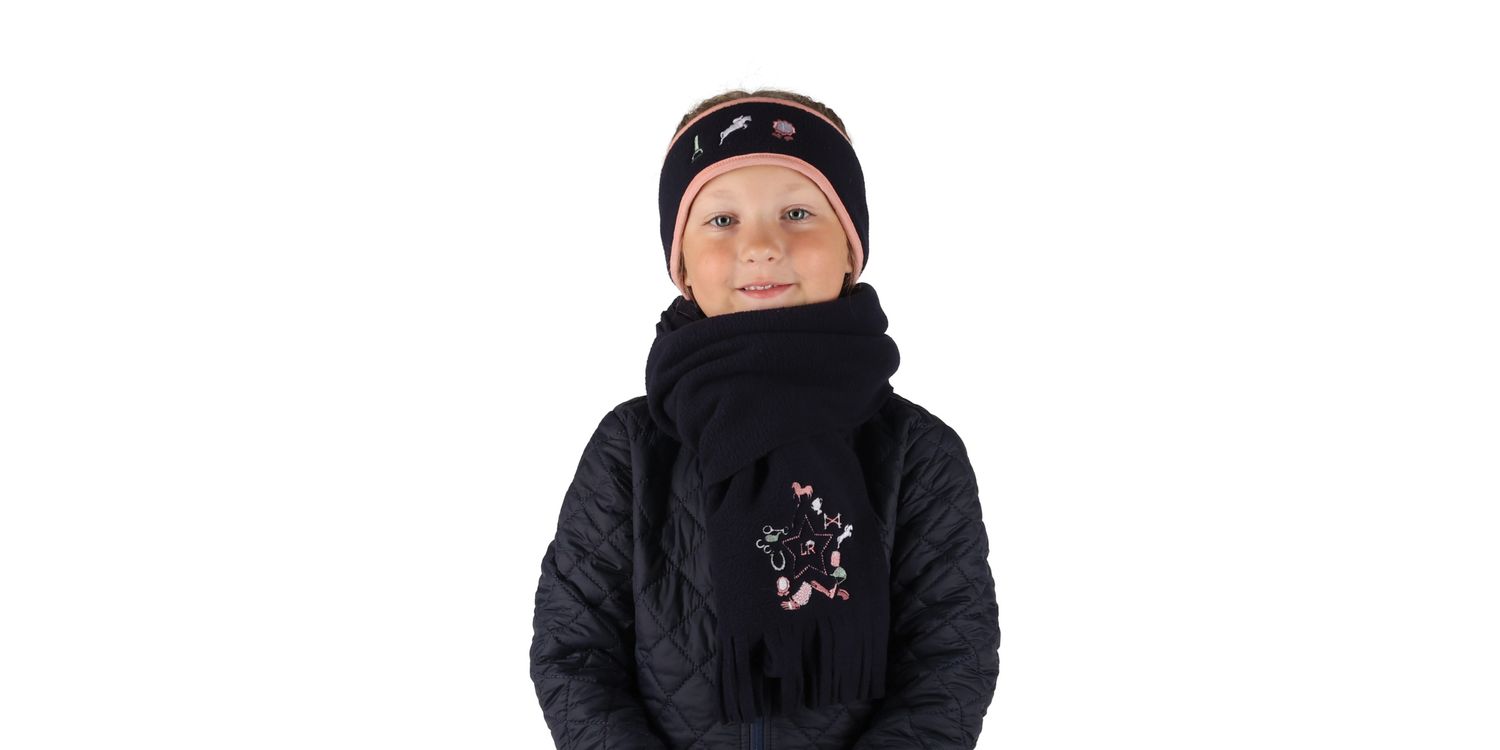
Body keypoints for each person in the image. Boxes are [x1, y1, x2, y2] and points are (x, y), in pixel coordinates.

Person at [529, 88, 1000, 749]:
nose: (760, 245)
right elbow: (575, 652)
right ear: (681, 263)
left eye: (798, 212)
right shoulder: (631, 448)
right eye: (722, 220)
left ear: (850, 249)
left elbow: (950, 661)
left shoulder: (916, 451)